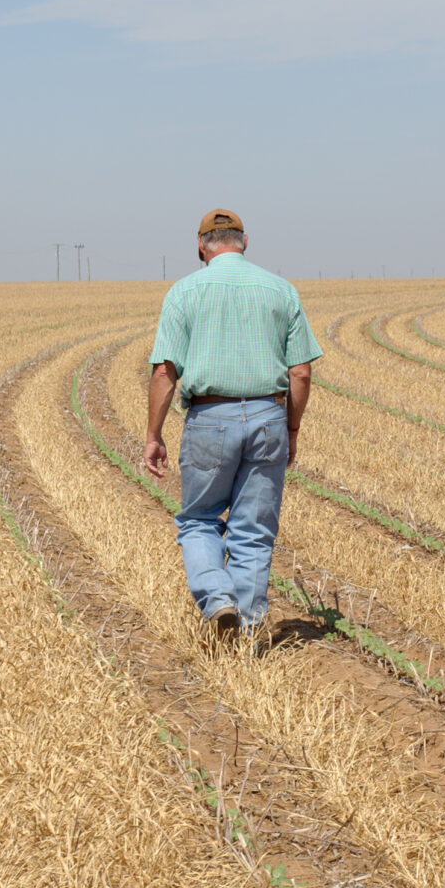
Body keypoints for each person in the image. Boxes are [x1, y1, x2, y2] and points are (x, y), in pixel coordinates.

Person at [141, 209, 322, 645]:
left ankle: (217, 598)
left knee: (200, 520)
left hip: (210, 418)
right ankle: (248, 624)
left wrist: (153, 434)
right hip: (268, 418)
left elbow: (166, 372)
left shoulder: (185, 291)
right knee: (254, 529)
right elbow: (300, 373)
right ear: (245, 242)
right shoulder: (281, 291)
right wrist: (291, 430)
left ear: (201, 245)